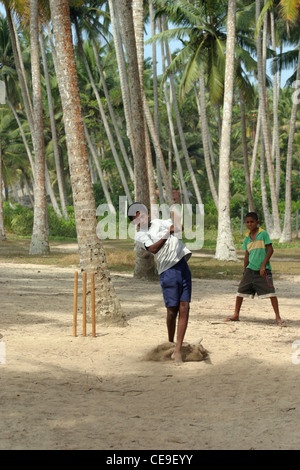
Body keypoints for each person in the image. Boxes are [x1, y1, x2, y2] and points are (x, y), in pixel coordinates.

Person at [128, 202, 192, 364]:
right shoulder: (141, 235)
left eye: (144, 214)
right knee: (172, 311)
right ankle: (170, 344)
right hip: (168, 271)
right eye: (138, 218)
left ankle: (177, 349)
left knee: (184, 307)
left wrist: (176, 217)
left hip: (182, 264)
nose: (142, 219)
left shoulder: (159, 223)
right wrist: (166, 234)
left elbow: (177, 228)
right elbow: (154, 249)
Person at [225, 212, 286, 326]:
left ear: (257, 222)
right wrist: (245, 270)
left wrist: (263, 266)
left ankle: (278, 317)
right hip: (250, 269)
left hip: (263, 270)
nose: (249, 224)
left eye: (252, 222)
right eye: (247, 222)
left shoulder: (263, 234)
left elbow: (270, 250)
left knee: (271, 293)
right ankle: (236, 314)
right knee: (240, 292)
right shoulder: (247, 237)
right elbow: (246, 255)